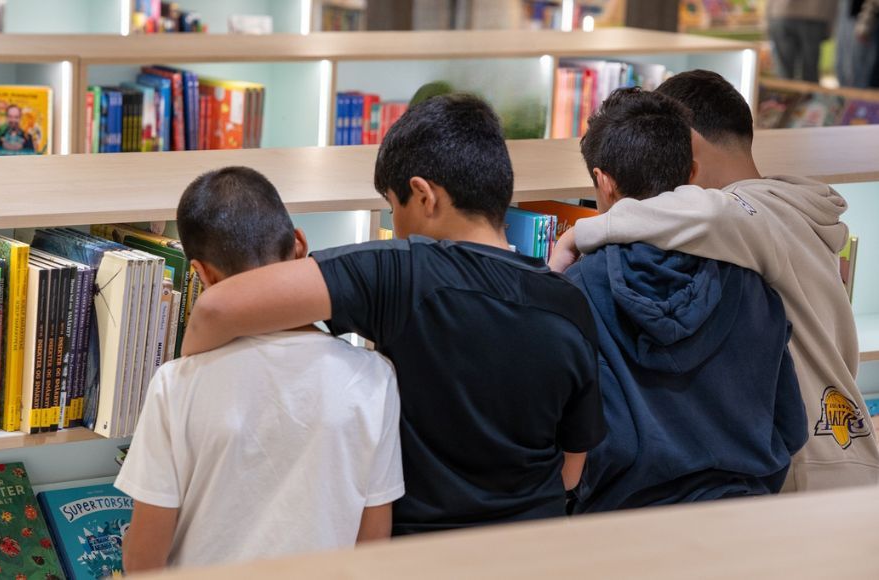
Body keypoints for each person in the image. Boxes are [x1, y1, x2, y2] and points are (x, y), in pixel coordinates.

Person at [181, 94, 605, 535]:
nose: (394, 224)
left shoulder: (400, 270)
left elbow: (217, 307)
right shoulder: (569, 303)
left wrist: (182, 388)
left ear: (423, 195)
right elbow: (571, 469)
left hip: (416, 552)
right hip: (535, 547)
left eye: (392, 206)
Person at [551, 70, 879, 491]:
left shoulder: (746, 213)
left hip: (807, 470)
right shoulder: (793, 212)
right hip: (848, 448)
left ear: (690, 146)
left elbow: (710, 213)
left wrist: (580, 234)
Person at [116, 167, 404, 571]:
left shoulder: (176, 385)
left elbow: (144, 560)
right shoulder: (374, 376)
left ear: (202, 274)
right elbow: (373, 545)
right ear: (300, 245)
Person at [563, 87, 807, 513]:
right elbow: (791, 424)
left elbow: (577, 444)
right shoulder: (752, 281)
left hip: (614, 527)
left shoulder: (578, 290)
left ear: (603, 182)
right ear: (692, 171)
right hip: (742, 519)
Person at [766, 0, 839, 83]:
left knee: (784, 74)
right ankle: (807, 95)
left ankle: (789, 93)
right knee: (809, 74)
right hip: (815, 14)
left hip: (781, 13)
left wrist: (768, 18)